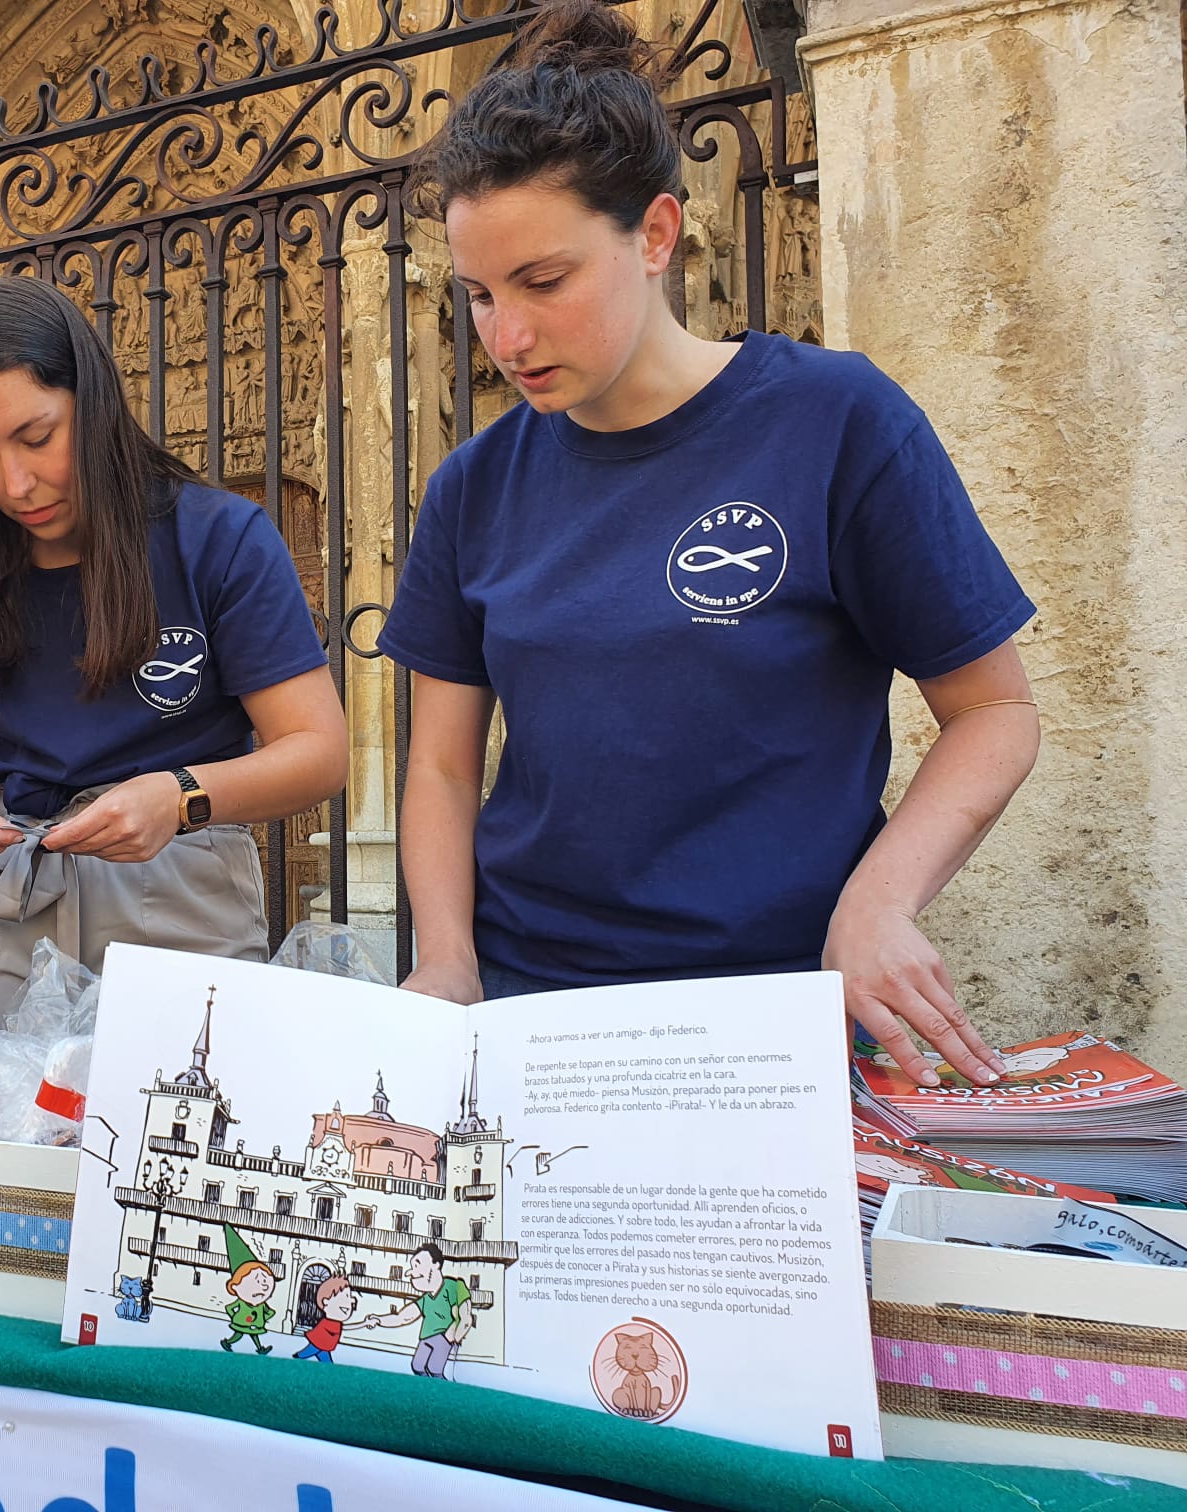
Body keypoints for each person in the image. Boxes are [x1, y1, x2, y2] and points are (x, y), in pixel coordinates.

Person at [379, 0, 1039, 1090]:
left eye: (543, 282)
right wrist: (448, 963)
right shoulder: (471, 491)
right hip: (536, 1013)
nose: (508, 336)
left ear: (656, 234)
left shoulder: (836, 422)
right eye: (479, 295)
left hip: (775, 1019)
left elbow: (995, 713)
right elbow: (444, 766)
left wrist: (878, 902)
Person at [0, 277, 347, 1026]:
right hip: (5, 916)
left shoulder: (219, 539)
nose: (17, 483)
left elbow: (319, 752)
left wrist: (179, 797)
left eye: (37, 438)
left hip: (181, 906)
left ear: (92, 405)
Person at [365, 1242, 472, 1379]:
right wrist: (379, 1320)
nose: (410, 1272)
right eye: (412, 1266)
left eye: (418, 1265)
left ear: (436, 1264)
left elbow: (465, 1318)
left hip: (444, 1337)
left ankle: (442, 1387)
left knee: (434, 1368)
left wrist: (450, 1338)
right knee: (417, 1366)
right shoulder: (425, 1299)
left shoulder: (453, 1286)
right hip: (426, 1337)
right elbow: (402, 1317)